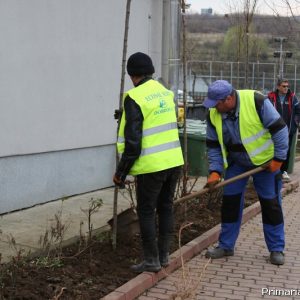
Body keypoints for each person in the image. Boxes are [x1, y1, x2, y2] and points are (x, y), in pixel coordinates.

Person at [203, 80, 288, 265]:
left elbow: (280, 130)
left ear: (229, 98)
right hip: (237, 163)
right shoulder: (213, 114)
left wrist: (279, 160)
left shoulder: (256, 101)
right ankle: (226, 245)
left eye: (216, 103)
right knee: (230, 203)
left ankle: (276, 249)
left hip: (265, 163)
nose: (214, 108)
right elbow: (213, 145)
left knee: (271, 205)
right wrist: (215, 171)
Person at [113, 52, 184, 273]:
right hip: (173, 161)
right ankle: (163, 257)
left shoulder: (134, 97)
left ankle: (151, 260)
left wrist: (120, 173)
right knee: (165, 208)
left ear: (132, 75)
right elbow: (157, 120)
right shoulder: (166, 93)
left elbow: (133, 144)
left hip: (151, 166)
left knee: (146, 211)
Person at [268, 78, 300, 181]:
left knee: (286, 151)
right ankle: (273, 171)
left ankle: (284, 171)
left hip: (289, 130)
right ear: (278, 87)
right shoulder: (271, 97)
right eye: (284, 86)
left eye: (287, 86)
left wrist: (296, 122)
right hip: (274, 130)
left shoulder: (292, 97)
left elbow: (298, 111)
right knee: (272, 150)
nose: (286, 88)